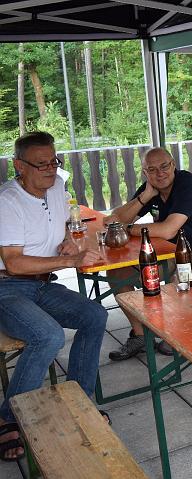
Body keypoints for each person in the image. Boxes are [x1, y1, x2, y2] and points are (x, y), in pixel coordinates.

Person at [0, 132, 108, 460]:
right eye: (41, 164)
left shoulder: (58, 186)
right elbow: (14, 262)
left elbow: (64, 226)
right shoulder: (7, 201)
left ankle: (79, 401)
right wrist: (70, 261)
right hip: (7, 287)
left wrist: (67, 241)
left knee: (95, 314)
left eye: (54, 161)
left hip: (43, 283)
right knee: (48, 336)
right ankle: (8, 418)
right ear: (19, 166)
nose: (50, 169)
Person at [106, 147, 192, 360]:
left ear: (173, 165)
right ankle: (141, 335)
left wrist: (127, 229)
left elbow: (167, 230)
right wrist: (144, 197)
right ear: (145, 173)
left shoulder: (187, 185)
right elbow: (112, 220)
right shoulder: (150, 188)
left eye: (164, 166)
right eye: (152, 169)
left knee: (180, 281)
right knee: (117, 273)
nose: (160, 173)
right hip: (173, 252)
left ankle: (180, 335)